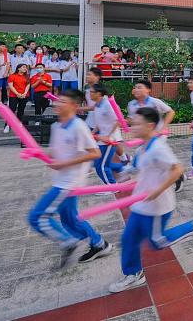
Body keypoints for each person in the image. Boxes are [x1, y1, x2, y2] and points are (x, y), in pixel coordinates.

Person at [108, 107, 193, 292]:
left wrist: (157, 190)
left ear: (150, 125)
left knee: (157, 242)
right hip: (141, 204)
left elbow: (177, 169)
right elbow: (135, 166)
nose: (132, 126)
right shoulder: (142, 147)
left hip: (157, 206)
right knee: (129, 238)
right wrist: (123, 175)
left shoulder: (158, 147)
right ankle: (133, 274)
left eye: (137, 123)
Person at [27, 89, 113, 269]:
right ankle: (99, 244)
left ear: (74, 106)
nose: (57, 104)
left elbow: (95, 153)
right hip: (60, 179)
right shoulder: (56, 126)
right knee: (70, 220)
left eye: (62, 102)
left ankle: (68, 242)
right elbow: (55, 152)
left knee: (37, 217)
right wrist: (38, 153)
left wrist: (66, 163)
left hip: (69, 183)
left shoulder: (78, 127)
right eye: (57, 101)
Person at [87, 84, 123, 186]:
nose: (89, 94)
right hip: (101, 139)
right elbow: (100, 123)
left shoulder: (107, 104)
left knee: (101, 167)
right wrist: (93, 132)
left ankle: (112, 186)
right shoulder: (97, 105)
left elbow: (118, 121)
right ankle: (121, 168)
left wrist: (108, 136)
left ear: (98, 94)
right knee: (98, 163)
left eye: (91, 92)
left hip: (109, 140)